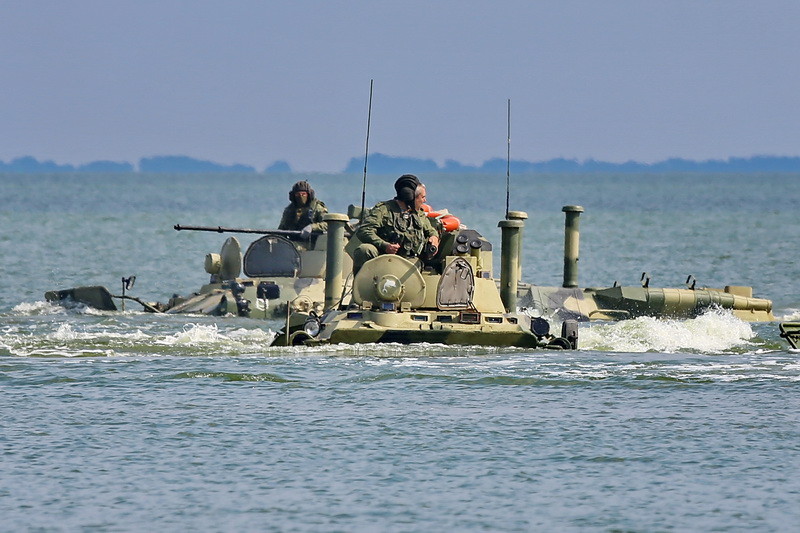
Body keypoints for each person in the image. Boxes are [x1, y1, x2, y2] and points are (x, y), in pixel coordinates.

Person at [352, 174, 440, 274]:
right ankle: (362, 286)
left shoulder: (417, 213)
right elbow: (364, 230)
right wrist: (384, 245)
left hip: (408, 259)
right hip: (382, 255)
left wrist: (434, 238)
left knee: (413, 267)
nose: (425, 200)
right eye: (422, 197)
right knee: (364, 250)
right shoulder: (384, 209)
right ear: (411, 198)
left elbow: (430, 230)